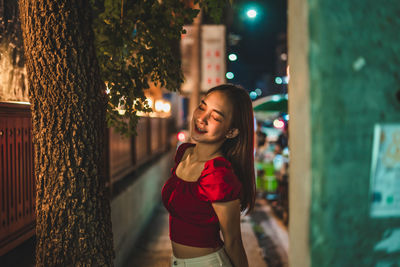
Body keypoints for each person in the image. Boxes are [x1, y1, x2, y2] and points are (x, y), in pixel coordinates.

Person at [162, 84, 256, 267]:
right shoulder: (184, 153)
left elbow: (234, 242)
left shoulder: (218, 175)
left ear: (232, 131)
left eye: (215, 117)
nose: (201, 118)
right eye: (202, 107)